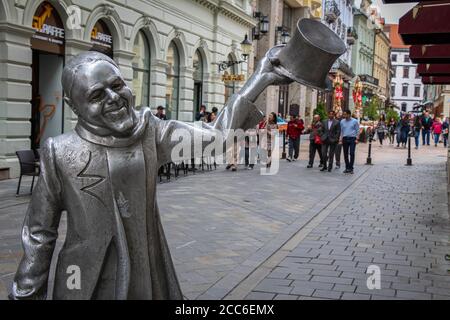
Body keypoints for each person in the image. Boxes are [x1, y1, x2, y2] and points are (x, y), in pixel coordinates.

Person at [10, 45, 294, 299]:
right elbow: (39, 232)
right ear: (74, 106)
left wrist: (262, 76)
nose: (113, 97)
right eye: (96, 95)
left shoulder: (151, 132)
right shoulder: (59, 151)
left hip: (145, 269)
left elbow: (216, 137)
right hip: (82, 278)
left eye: (117, 85)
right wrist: (26, 292)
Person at [340, 109, 359, 174]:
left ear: (349, 114)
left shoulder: (355, 121)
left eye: (345, 114)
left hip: (352, 138)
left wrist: (357, 139)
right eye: (343, 114)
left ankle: (351, 168)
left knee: (351, 153)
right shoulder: (342, 121)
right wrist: (341, 139)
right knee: (345, 154)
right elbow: (341, 131)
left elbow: (357, 130)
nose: (344, 115)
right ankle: (347, 167)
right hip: (345, 138)